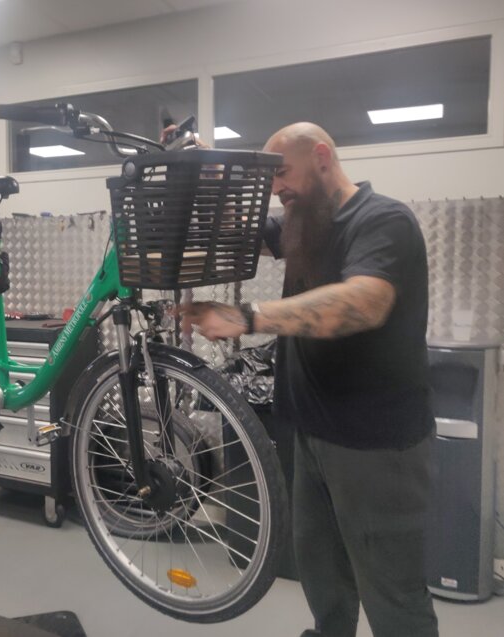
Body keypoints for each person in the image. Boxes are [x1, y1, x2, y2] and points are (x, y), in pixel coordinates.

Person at [179, 123, 438, 637]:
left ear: (321, 157)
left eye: (282, 174)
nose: (277, 189)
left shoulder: (382, 220)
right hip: (311, 436)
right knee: (323, 577)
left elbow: (364, 302)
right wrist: (212, 171)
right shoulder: (304, 221)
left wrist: (247, 317)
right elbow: (242, 227)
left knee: (393, 593)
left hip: (376, 447)